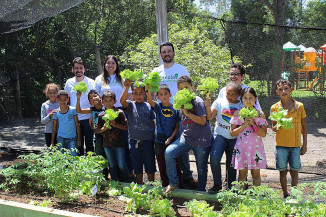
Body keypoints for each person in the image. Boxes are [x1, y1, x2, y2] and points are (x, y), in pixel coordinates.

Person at [152, 42, 196, 189]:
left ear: (173, 53)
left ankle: (187, 177)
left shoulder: (182, 69)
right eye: (163, 52)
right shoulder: (156, 72)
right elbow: (152, 93)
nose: (166, 54)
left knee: (181, 145)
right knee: (166, 149)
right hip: (162, 115)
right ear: (160, 54)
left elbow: (189, 90)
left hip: (181, 113)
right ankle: (171, 180)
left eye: (169, 51)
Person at [165, 75, 213, 193]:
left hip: (201, 141)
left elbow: (203, 121)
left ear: (192, 88)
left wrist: (186, 112)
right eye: (181, 89)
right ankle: (174, 184)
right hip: (186, 139)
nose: (184, 91)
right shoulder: (179, 103)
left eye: (186, 88)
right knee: (169, 153)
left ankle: (201, 191)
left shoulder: (197, 101)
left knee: (201, 168)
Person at [94, 55, 134, 181]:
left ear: (116, 65)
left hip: (121, 112)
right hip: (105, 113)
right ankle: (113, 175)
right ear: (105, 65)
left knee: (124, 143)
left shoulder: (122, 78)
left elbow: (130, 95)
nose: (110, 65)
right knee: (108, 141)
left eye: (113, 63)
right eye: (108, 63)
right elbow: (95, 98)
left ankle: (128, 173)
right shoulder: (99, 79)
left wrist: (130, 111)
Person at [271, 79, 307, 198]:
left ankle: (294, 194)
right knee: (282, 171)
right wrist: (279, 124)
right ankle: (285, 194)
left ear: (291, 90)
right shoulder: (275, 108)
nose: (284, 91)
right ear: (277, 92)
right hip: (281, 145)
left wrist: (304, 144)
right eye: (280, 89)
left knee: (295, 171)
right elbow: (274, 128)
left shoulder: (299, 106)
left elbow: (304, 126)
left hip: (295, 145)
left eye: (286, 88)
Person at [205, 82, 242, 193]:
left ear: (239, 95)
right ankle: (217, 184)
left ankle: (230, 187)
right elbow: (209, 116)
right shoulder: (219, 102)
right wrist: (208, 103)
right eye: (228, 93)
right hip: (220, 135)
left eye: (233, 94)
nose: (230, 97)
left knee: (231, 164)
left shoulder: (242, 105)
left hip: (234, 137)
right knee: (214, 158)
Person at [146, 84, 183, 187]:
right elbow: (150, 102)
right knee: (162, 165)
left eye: (165, 94)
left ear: (170, 94)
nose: (164, 96)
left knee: (175, 165)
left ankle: (179, 185)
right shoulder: (158, 107)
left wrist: (171, 138)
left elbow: (177, 126)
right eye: (161, 95)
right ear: (157, 97)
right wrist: (148, 91)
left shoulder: (175, 108)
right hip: (159, 142)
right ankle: (165, 185)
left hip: (172, 142)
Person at [230, 87, 267, 189]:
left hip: (256, 148)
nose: (248, 100)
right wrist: (244, 124)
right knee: (242, 175)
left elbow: (263, 134)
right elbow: (232, 133)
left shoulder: (260, 114)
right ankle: (241, 198)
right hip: (242, 148)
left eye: (251, 97)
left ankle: (256, 197)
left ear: (255, 99)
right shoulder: (238, 113)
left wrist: (253, 124)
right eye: (245, 98)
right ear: (241, 99)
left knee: (255, 174)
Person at [120, 79, 156, 184]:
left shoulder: (149, 105)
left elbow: (152, 122)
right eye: (135, 93)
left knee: (150, 164)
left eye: (141, 93)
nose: (138, 96)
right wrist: (126, 88)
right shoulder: (131, 105)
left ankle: (151, 185)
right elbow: (122, 101)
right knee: (137, 165)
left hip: (148, 141)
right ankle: (140, 184)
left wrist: (153, 136)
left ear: (144, 93)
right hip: (134, 141)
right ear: (132, 94)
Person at [64, 57, 95, 156]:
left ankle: (91, 168)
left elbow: (94, 101)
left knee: (90, 145)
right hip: (75, 119)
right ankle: (80, 168)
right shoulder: (69, 82)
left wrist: (92, 116)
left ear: (84, 69)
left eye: (81, 68)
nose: (79, 70)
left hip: (87, 118)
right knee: (78, 144)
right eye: (76, 68)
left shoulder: (91, 82)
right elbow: (66, 99)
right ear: (73, 69)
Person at [97, 90, 129, 182]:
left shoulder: (119, 113)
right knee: (112, 165)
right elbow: (98, 130)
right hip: (107, 145)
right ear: (102, 102)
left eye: (110, 100)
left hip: (119, 144)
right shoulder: (101, 115)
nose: (108, 103)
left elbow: (126, 127)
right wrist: (104, 128)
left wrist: (115, 124)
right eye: (106, 101)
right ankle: (114, 183)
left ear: (115, 101)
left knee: (122, 165)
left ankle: (126, 182)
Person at [76, 89, 109, 179]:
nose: (93, 98)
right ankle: (103, 177)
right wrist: (78, 98)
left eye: (95, 96)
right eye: (90, 98)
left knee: (110, 156)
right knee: (100, 158)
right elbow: (78, 110)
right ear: (90, 102)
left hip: (108, 136)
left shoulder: (105, 107)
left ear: (100, 97)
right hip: (98, 137)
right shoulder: (92, 109)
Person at [51, 90, 81, 156]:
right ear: (57, 100)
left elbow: (77, 125)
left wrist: (79, 139)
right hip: (60, 139)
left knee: (74, 157)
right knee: (62, 159)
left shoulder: (72, 110)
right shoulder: (56, 112)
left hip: (72, 138)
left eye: (64, 99)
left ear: (68, 99)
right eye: (60, 100)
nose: (62, 102)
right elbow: (54, 128)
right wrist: (52, 142)